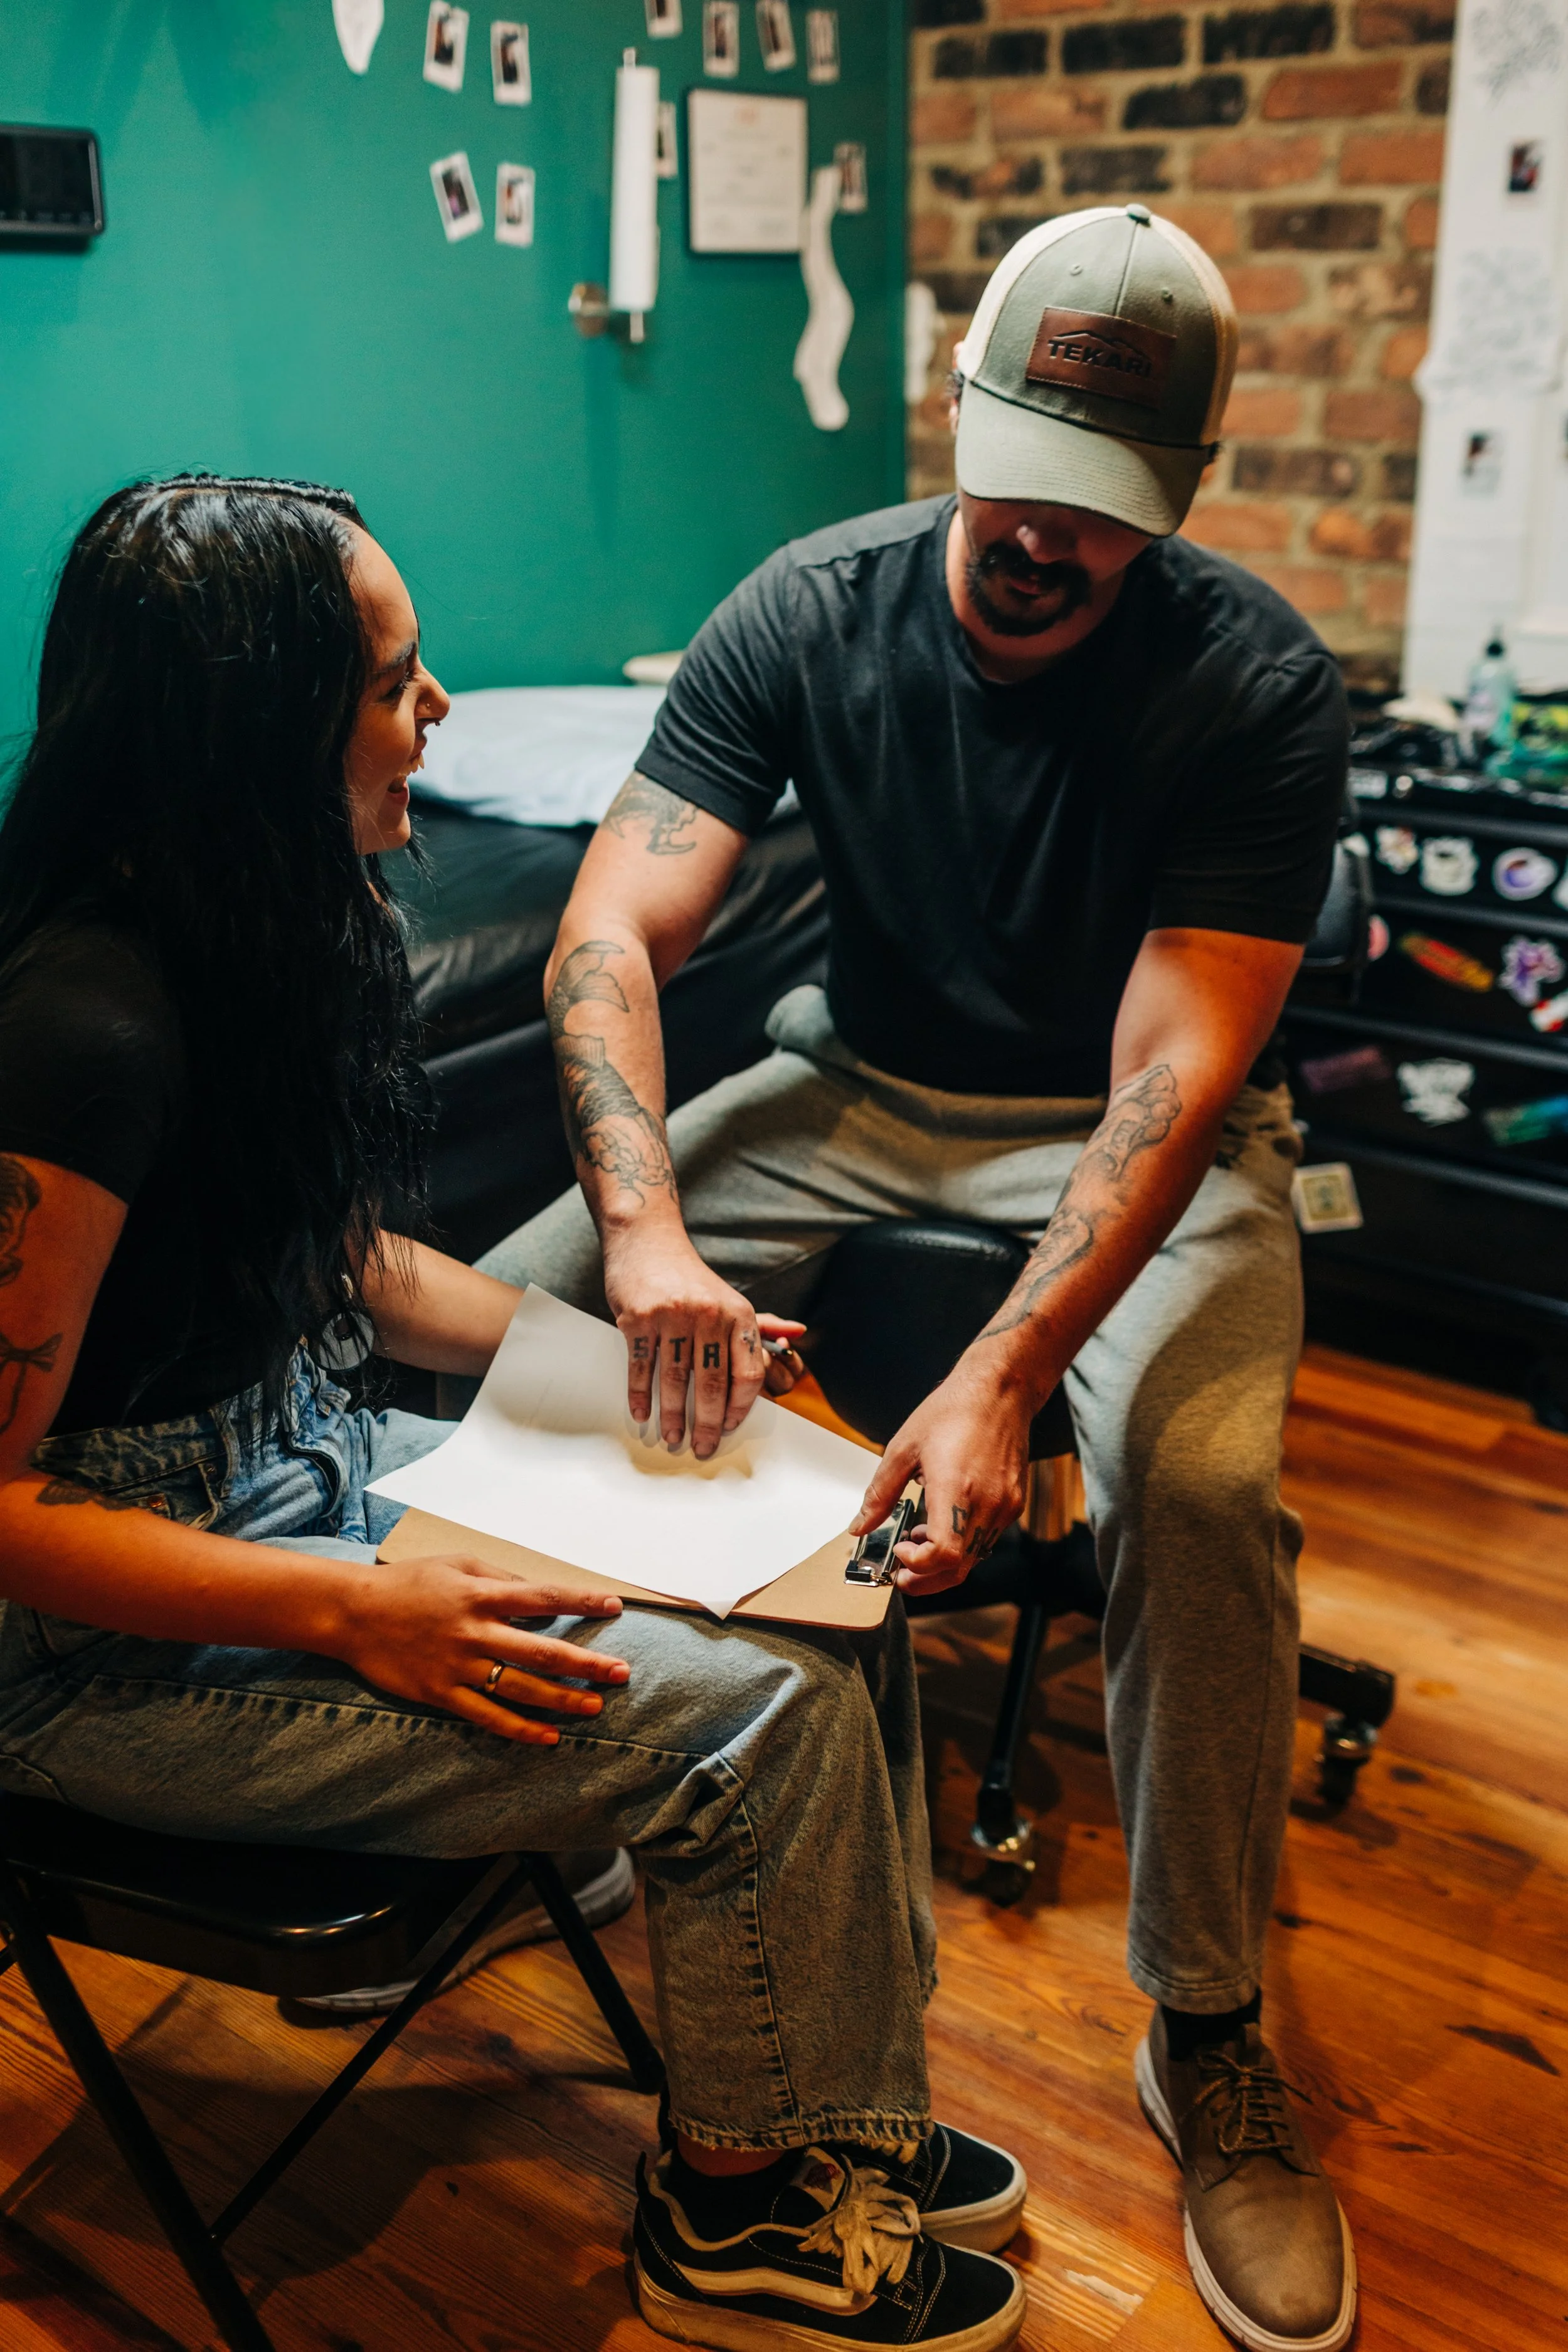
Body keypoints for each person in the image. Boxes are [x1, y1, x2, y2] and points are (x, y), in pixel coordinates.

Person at [0, 475, 1028, 2352]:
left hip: (292, 1464)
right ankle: (737, 2219)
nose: (440, 708)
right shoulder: (79, 1026)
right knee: (744, 1722)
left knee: (822, 1566)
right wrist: (343, 1607)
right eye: (395, 681)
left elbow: (350, 1270)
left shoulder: (263, 932)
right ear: (258, 726)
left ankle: (827, 2113)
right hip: (94, 1639)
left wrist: (646, 1358)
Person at [482, 206, 1357, 2352]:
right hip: (857, 1082)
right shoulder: (809, 605)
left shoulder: (1249, 683)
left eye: (1098, 512)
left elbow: (1171, 1072)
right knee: (509, 1319)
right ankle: (590, 1776)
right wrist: (649, 1237)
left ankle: (1206, 2022)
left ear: (1172, 503)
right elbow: (606, 935)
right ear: (953, 419)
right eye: (1012, 478)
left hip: (1138, 1131)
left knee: (1198, 1468)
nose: (1038, 542)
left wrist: (991, 1379)